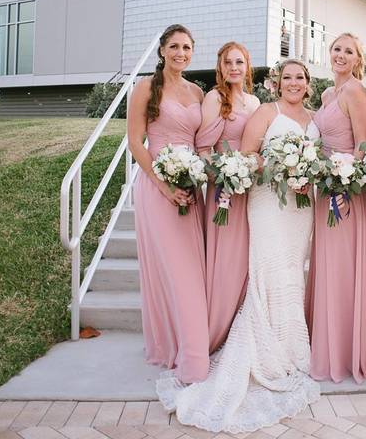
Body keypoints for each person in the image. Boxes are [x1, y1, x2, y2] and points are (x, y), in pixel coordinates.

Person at [157, 60, 321, 432]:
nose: (293, 83)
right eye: (287, 77)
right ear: (277, 83)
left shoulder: (316, 117)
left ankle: (292, 346)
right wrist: (283, 166)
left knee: (292, 270)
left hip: (301, 207)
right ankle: (264, 350)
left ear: (309, 84)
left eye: (300, 77)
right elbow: (248, 156)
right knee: (268, 267)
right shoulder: (266, 111)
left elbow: (321, 159)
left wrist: (305, 172)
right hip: (267, 202)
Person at [127, 24, 208, 382]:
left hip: (192, 188)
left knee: (194, 270)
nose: (180, 53)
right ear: (162, 50)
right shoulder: (146, 87)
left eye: (187, 47)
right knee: (177, 270)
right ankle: (188, 354)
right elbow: (135, 143)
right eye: (174, 46)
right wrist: (163, 185)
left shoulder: (197, 91)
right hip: (158, 189)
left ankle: (188, 342)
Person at [306, 33, 366, 383]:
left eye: (349, 51)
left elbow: (362, 143)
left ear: (358, 59)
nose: (341, 55)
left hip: (344, 194)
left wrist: (344, 182)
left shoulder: (355, 92)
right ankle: (324, 341)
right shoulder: (328, 94)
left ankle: (343, 352)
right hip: (324, 189)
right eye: (337, 49)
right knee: (327, 266)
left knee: (342, 268)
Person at [196, 42, 260, 353]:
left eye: (239, 62)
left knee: (248, 259)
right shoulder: (213, 98)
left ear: (247, 66)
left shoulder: (255, 101)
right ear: (220, 68)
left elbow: (259, 147)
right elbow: (203, 148)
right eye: (227, 63)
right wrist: (222, 176)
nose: (233, 67)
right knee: (224, 260)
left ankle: (241, 332)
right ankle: (215, 328)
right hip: (222, 191)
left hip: (250, 192)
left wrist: (249, 171)